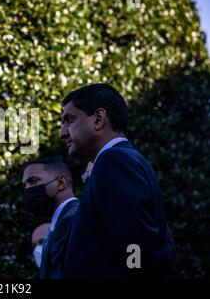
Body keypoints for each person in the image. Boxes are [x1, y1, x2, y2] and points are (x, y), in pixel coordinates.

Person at [59, 83, 176, 278]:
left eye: (68, 120)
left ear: (98, 118)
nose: (62, 133)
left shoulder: (113, 160)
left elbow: (134, 239)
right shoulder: (122, 159)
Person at [22, 158, 79, 279]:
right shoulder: (59, 222)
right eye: (25, 185)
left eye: (33, 182)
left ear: (61, 183)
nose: (28, 189)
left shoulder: (73, 218)